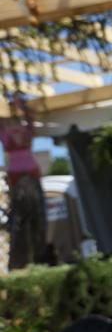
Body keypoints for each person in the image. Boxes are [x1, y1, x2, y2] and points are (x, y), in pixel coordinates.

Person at [0, 93, 47, 269]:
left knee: (35, 216)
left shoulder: (21, 130)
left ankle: (36, 256)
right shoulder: (10, 132)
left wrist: (19, 102)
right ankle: (22, 260)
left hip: (26, 174)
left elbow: (30, 117)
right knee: (20, 217)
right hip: (18, 175)